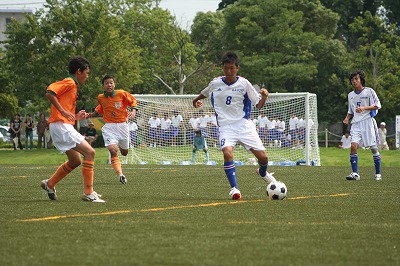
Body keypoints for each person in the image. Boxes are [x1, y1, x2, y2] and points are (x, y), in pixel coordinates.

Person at [192, 51, 277, 200]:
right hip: (225, 127)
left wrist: (264, 97)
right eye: (226, 68)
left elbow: (258, 105)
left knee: (263, 158)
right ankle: (234, 189)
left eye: (232, 68)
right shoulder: (215, 83)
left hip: (244, 126)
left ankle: (263, 172)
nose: (229, 71)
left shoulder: (244, 83)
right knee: (227, 152)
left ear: (237, 68)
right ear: (223, 68)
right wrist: (196, 100)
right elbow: (205, 92)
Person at [40, 56, 105, 203]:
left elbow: (63, 113)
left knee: (75, 161)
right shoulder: (69, 82)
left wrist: (75, 117)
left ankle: (50, 184)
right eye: (86, 73)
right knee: (90, 152)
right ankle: (88, 193)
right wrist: (63, 111)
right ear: (78, 71)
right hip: (61, 126)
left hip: (62, 125)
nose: (87, 76)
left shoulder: (73, 86)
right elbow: (50, 92)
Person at [88, 75, 138, 184]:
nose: (109, 85)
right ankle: (120, 174)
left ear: (114, 84)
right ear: (103, 85)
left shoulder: (122, 93)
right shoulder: (100, 97)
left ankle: (119, 144)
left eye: (111, 83)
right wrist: (92, 114)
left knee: (124, 152)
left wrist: (133, 112)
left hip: (123, 126)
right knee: (113, 150)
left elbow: (133, 102)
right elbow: (101, 107)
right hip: (109, 127)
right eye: (107, 83)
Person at [343, 70, 382, 181]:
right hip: (356, 124)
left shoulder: (369, 91)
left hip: (368, 122)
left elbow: (377, 105)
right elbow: (350, 111)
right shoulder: (350, 95)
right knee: (353, 146)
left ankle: (378, 173)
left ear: (361, 80)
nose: (354, 81)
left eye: (356, 79)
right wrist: (346, 118)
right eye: (352, 80)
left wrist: (364, 108)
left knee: (373, 148)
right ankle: (355, 173)